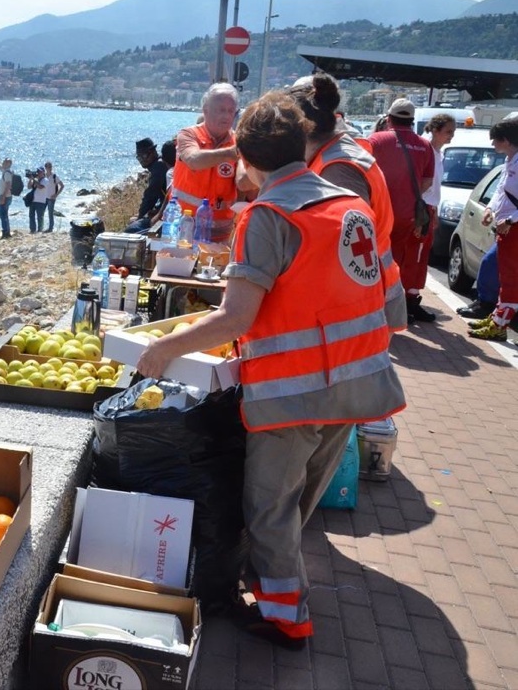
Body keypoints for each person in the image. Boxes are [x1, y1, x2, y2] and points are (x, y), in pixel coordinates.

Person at [136, 92, 405, 649]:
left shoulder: (269, 215)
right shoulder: (348, 204)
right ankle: (279, 583)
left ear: (247, 159)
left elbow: (236, 316)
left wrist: (164, 349)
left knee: (269, 508)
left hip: (294, 392)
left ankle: (287, 618)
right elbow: (385, 290)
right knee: (298, 500)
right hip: (357, 384)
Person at [288, 74, 406, 331]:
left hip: (358, 303)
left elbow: (342, 245)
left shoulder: (337, 169)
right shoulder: (336, 153)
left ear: (300, 129)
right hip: (367, 292)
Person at [370, 99, 436, 323]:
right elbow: (427, 182)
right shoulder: (424, 146)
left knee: (369, 258)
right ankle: (387, 310)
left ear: (389, 118)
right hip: (407, 214)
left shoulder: (376, 140)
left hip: (377, 211)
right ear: (412, 121)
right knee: (393, 260)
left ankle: (369, 305)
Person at [172, 83, 248, 242]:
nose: (226, 116)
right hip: (185, 227)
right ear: (205, 110)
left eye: (231, 111)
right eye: (221, 110)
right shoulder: (188, 135)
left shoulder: (239, 142)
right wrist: (232, 153)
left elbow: (243, 184)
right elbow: (194, 160)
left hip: (222, 232)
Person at [466, 118, 518, 341]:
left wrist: (511, 220)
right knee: (503, 275)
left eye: (495, 140)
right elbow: (501, 191)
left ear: (506, 140)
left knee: (511, 279)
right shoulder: (510, 160)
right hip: (506, 228)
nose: (492, 144)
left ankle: (499, 325)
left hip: (513, 229)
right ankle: (498, 318)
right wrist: (490, 209)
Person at [124, 138, 169, 233]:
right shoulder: (159, 164)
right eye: (139, 157)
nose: (142, 160)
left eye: (144, 155)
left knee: (131, 230)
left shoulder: (159, 167)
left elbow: (150, 196)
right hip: (166, 210)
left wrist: (140, 217)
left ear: (153, 152)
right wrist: (155, 210)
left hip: (170, 215)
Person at [43, 161, 63, 232]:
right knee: (41, 212)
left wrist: (56, 195)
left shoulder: (54, 176)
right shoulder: (43, 176)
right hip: (43, 197)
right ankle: (41, 227)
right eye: (48, 167)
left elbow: (62, 186)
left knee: (50, 213)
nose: (50, 168)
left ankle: (50, 228)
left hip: (51, 198)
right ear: (45, 168)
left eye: (51, 167)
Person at [28, 166, 49, 233]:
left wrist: (34, 180)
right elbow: (29, 187)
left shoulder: (45, 180)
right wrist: (30, 179)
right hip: (33, 200)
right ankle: (32, 229)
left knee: (40, 216)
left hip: (41, 201)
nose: (38, 173)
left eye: (40, 172)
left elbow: (40, 187)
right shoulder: (36, 179)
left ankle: (40, 229)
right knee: (31, 215)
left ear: (43, 173)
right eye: (38, 172)